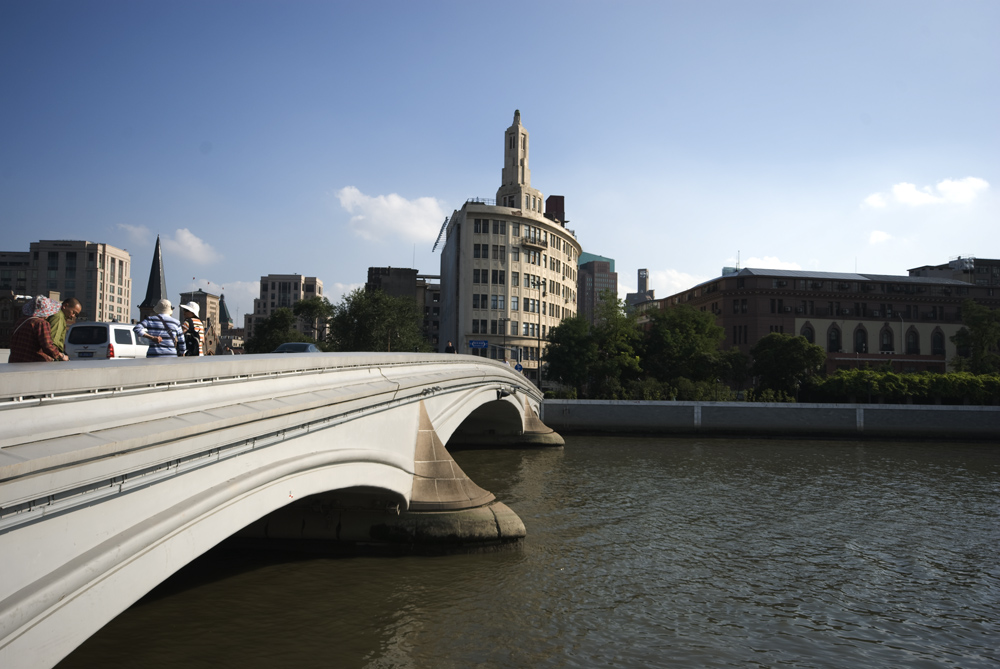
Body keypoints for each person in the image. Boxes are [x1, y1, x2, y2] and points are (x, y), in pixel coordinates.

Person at [9, 296, 69, 362]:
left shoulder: (21, 321)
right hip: (32, 364)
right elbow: (48, 346)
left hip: (14, 363)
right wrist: (61, 356)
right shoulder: (41, 323)